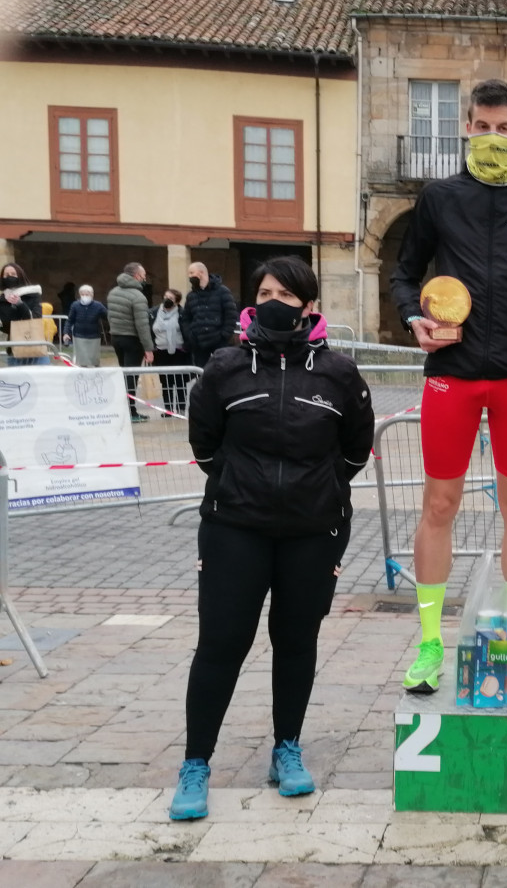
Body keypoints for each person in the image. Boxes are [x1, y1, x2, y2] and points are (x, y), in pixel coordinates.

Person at [169, 256, 374, 821]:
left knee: (296, 641)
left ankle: (287, 748)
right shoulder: (226, 366)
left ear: (309, 306)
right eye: (265, 291)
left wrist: (321, 486)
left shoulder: (339, 373)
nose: (274, 301)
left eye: (286, 293)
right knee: (221, 645)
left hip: (312, 531)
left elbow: (356, 448)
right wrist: (242, 486)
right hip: (237, 527)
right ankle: (196, 763)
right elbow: (205, 444)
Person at [391, 78, 507, 694]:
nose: (493, 137)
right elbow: (404, 272)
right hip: (452, 375)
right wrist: (414, 316)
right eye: (482, 126)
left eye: (504, 127)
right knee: (439, 504)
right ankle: (430, 643)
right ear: (466, 127)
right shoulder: (439, 198)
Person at [107, 262, 155, 421]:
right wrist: (148, 348)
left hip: (116, 337)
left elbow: (110, 317)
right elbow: (142, 325)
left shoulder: (113, 292)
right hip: (132, 340)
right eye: (143, 276)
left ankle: (124, 408)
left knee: (124, 373)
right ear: (136, 276)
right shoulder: (138, 297)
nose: (144, 279)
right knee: (131, 376)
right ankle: (131, 412)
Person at [181, 262, 237, 369]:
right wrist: (190, 335)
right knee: (202, 376)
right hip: (199, 343)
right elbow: (186, 318)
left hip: (219, 341)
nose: (189, 276)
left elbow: (231, 314)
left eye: (192, 273)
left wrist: (224, 335)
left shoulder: (222, 291)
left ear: (201, 273)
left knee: (223, 371)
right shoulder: (191, 296)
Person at [151, 287, 190, 416]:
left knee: (180, 381)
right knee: (166, 382)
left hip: (179, 351)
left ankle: (181, 408)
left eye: (171, 299)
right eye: (166, 297)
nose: (167, 300)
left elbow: (187, 331)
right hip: (161, 351)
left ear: (177, 302)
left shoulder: (182, 313)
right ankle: (167, 410)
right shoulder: (154, 312)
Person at [1, 263, 49, 366]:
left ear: (20, 275)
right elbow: (5, 327)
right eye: (6, 275)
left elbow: (36, 318)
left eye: (13, 274)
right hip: (14, 349)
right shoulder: (2, 299)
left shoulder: (33, 294)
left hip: (35, 347)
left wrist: (20, 304)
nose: (10, 276)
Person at [64, 284, 107, 367]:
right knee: (82, 361)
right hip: (79, 336)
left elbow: (108, 317)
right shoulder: (75, 305)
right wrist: (66, 333)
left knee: (94, 361)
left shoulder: (98, 306)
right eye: (82, 294)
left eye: (87, 294)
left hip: (94, 336)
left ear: (92, 295)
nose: (84, 296)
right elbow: (70, 321)